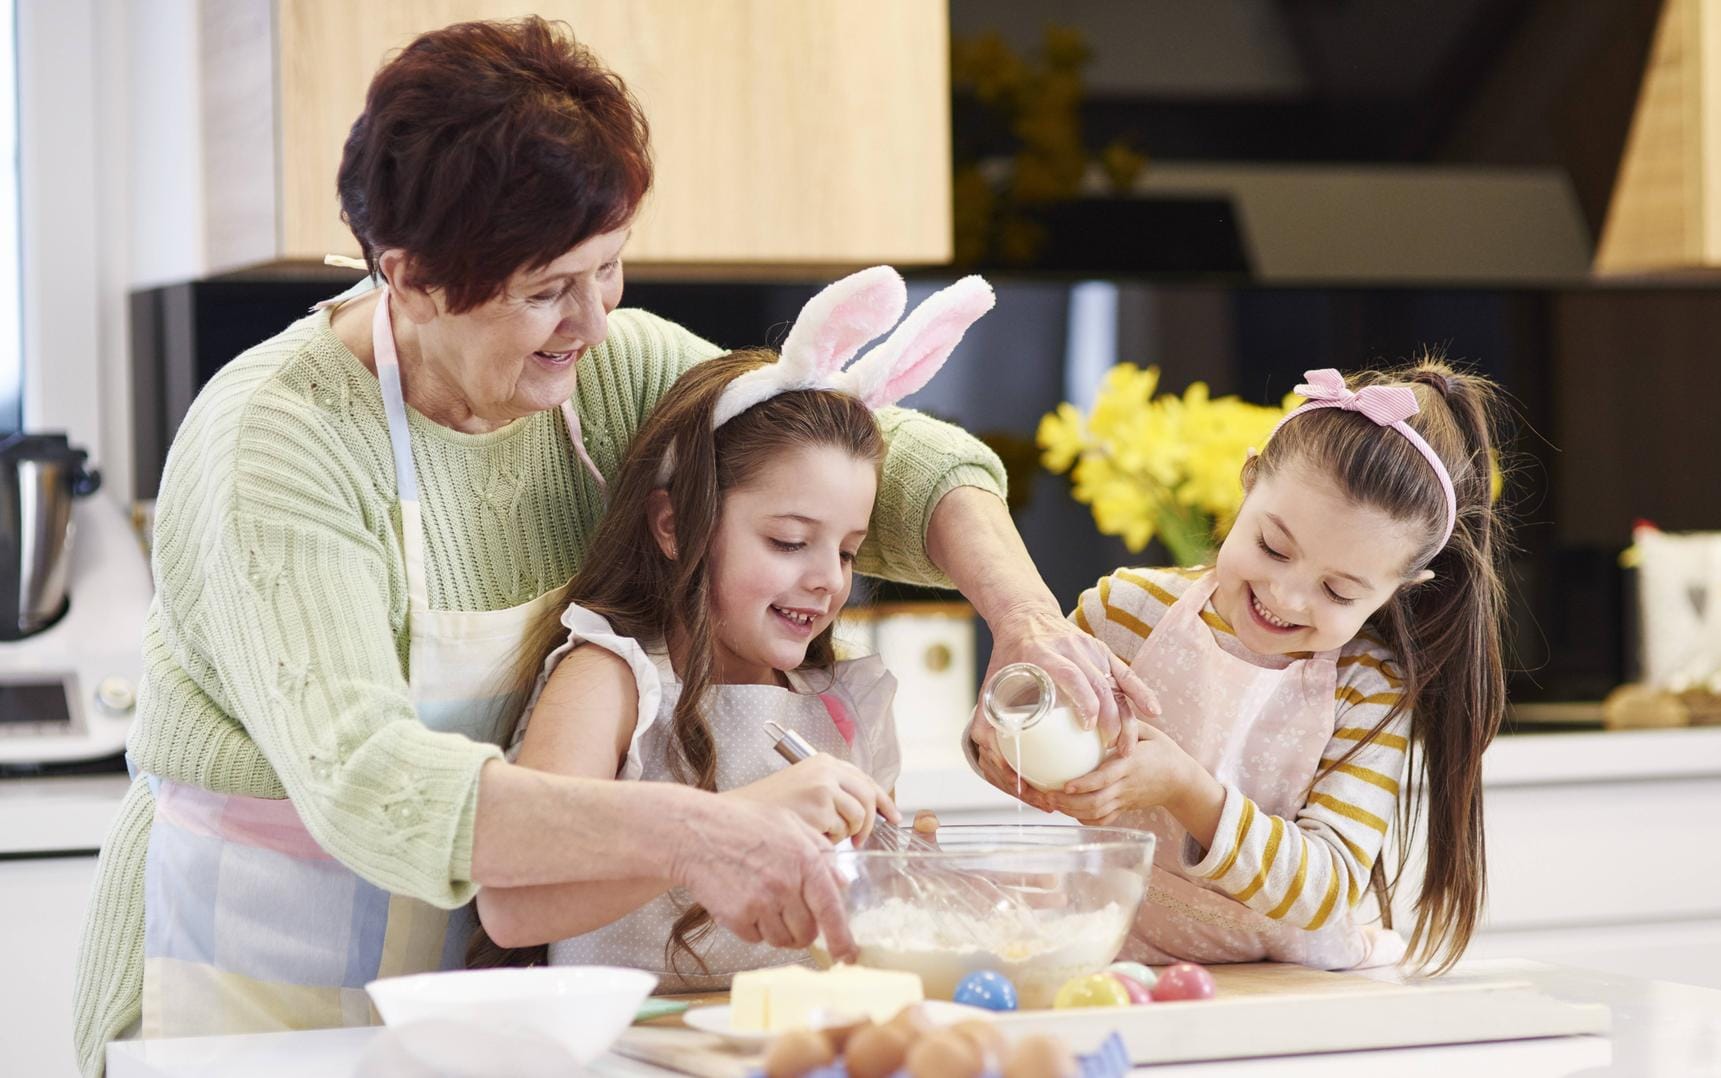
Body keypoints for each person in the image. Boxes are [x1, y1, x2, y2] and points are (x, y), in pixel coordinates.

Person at [71, 19, 1127, 1075]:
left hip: (467, 989)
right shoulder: (276, 441)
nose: (594, 318)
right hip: (245, 987)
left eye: (609, 267)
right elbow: (368, 782)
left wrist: (1025, 618)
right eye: (546, 289)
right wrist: (698, 831)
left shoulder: (606, 370)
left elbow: (861, 444)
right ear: (412, 276)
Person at [475, 269, 990, 989]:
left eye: (847, 551)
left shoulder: (838, 701)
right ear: (676, 526)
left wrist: (891, 878)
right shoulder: (615, 679)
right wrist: (743, 820)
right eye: (787, 541)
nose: (827, 578)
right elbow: (514, 903)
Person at [1038, 361, 1513, 972]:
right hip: (1116, 958)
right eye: (1272, 547)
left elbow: (1327, 889)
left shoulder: (1367, 691)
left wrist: (1188, 792)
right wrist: (1001, 735)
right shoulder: (1125, 611)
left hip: (1293, 982)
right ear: (1247, 480)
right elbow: (1027, 711)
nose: (1287, 597)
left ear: (1402, 588)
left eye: (1339, 592)